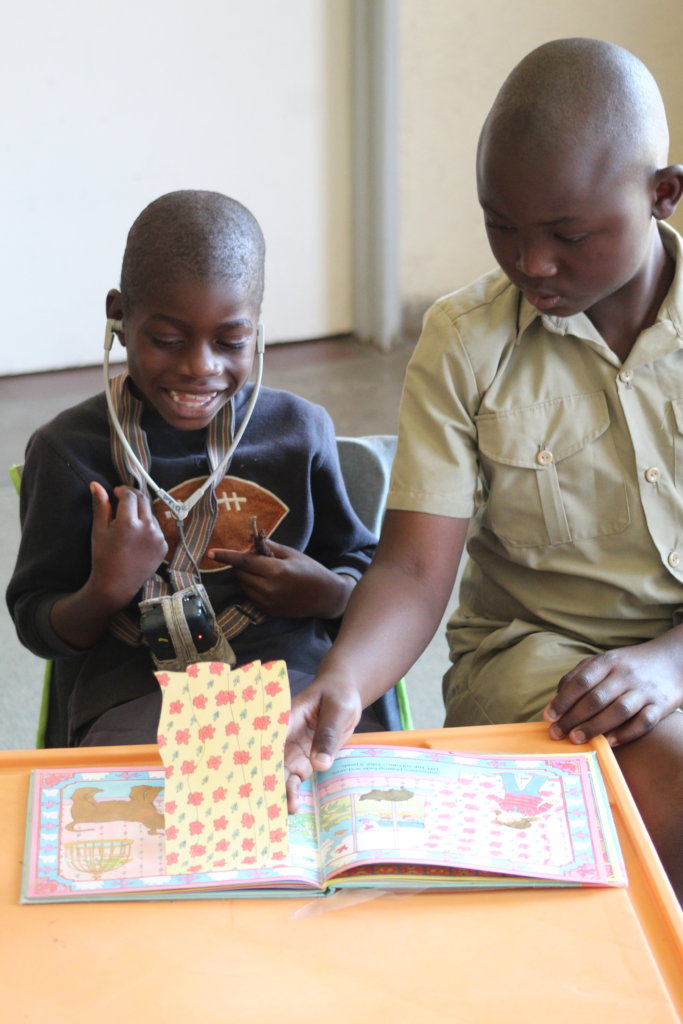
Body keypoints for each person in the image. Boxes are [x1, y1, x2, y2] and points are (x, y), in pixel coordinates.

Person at [285, 38, 683, 902]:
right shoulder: (465, 341)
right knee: (667, 784)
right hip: (539, 661)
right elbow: (413, 570)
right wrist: (343, 681)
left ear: (661, 195)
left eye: (567, 235)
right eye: (500, 226)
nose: (531, 262)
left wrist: (668, 664)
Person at [7, 189, 381, 747]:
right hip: (137, 697)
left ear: (257, 329)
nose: (199, 366)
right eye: (167, 339)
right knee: (147, 799)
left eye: (231, 341)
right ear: (118, 316)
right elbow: (38, 623)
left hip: (291, 681)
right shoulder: (69, 452)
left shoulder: (299, 432)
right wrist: (106, 588)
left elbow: (365, 569)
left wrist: (328, 593)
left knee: (344, 774)